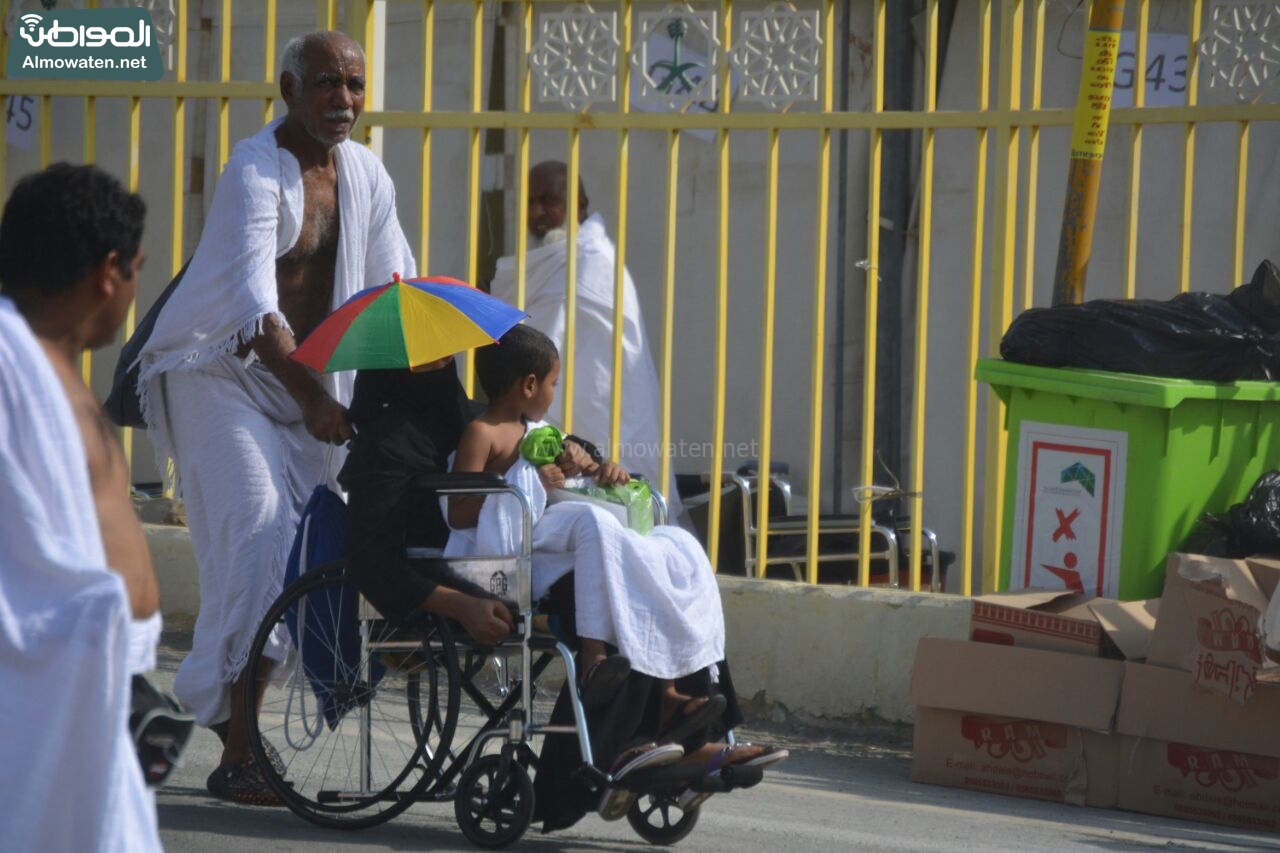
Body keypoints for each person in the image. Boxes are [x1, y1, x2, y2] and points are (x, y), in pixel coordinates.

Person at [133, 30, 416, 804]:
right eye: (327, 83)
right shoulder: (253, 171)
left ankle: (231, 730)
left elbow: (398, 292)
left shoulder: (367, 176)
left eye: (355, 85)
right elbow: (257, 313)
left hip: (312, 390)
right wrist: (315, 400)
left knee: (305, 550)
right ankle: (239, 752)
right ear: (288, 89)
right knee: (257, 526)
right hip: (222, 375)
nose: (345, 101)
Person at [445, 325, 785, 827]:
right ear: (530, 384)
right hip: (509, 553)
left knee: (675, 551)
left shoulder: (542, 433)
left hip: (561, 546)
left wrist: (599, 469)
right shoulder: (482, 433)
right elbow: (459, 513)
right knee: (596, 525)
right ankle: (594, 652)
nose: (557, 394)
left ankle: (679, 696)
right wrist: (529, 480)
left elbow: (580, 475)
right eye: (555, 384)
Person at [0, 163, 162, 851]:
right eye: (137, 270)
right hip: (48, 682)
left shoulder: (47, 364)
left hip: (99, 683)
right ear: (108, 271)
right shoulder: (14, 366)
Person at [488, 161, 683, 521]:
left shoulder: (591, 263)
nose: (537, 212)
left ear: (580, 203)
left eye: (549, 200)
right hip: (558, 436)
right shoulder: (552, 263)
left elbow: (535, 356)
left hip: (603, 429)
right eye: (530, 201)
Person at [337, 356, 515, 644]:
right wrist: (461, 605)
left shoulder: (465, 420)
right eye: (424, 362)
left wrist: (580, 454)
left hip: (491, 565)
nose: (441, 367)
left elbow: (525, 428)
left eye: (445, 358)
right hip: (430, 580)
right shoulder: (383, 448)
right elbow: (371, 560)